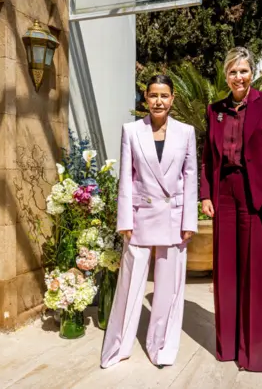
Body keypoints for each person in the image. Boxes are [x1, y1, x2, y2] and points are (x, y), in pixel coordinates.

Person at [199, 47, 262, 372]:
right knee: (227, 273)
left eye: (243, 71)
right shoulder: (214, 110)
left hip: (259, 195)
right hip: (225, 193)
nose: (238, 77)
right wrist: (205, 195)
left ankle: (254, 355)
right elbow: (207, 158)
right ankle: (228, 347)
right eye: (232, 72)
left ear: (252, 73)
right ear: (226, 76)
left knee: (257, 273)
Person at [100, 75, 198, 369]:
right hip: (140, 217)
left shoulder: (186, 132)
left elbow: (190, 175)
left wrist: (189, 220)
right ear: (145, 98)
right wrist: (124, 219)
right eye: (153, 95)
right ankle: (119, 345)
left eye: (164, 95)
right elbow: (127, 180)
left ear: (173, 99)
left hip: (173, 218)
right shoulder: (131, 131)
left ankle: (162, 346)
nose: (158, 101)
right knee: (130, 287)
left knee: (168, 288)